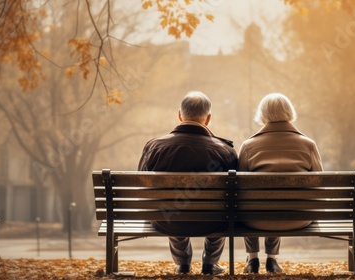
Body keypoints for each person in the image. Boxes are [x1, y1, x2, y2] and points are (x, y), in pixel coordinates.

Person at [138, 91, 238, 275]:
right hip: (213, 222)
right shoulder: (225, 152)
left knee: (170, 207)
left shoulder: (154, 147)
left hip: (167, 221)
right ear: (207, 119)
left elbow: (144, 184)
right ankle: (210, 263)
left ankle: (183, 264)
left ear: (180, 115)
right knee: (224, 209)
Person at [238, 93, 323, 274]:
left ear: (263, 114)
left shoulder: (248, 146)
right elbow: (319, 182)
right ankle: (272, 259)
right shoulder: (308, 145)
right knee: (280, 198)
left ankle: (252, 258)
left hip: (256, 221)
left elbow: (240, 189)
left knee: (251, 202)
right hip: (298, 218)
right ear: (289, 112)